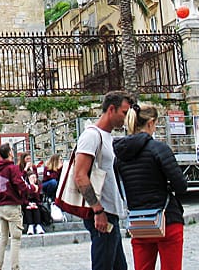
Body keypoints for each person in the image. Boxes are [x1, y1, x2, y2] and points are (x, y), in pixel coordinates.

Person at [114, 103, 187, 270]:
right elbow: (181, 185)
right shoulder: (159, 149)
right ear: (150, 123)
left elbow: (121, 188)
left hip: (139, 221)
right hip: (166, 217)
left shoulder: (120, 154)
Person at [74, 91, 132, 270]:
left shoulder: (108, 137)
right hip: (101, 213)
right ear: (111, 109)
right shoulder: (92, 135)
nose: (126, 117)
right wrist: (98, 211)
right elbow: (80, 175)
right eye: (124, 112)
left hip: (110, 212)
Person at [0, 143, 30, 270]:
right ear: (9, 153)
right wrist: (29, 192)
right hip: (12, 205)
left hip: (0, 206)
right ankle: (15, 267)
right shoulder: (12, 168)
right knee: (16, 238)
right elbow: (20, 184)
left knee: (3, 239)